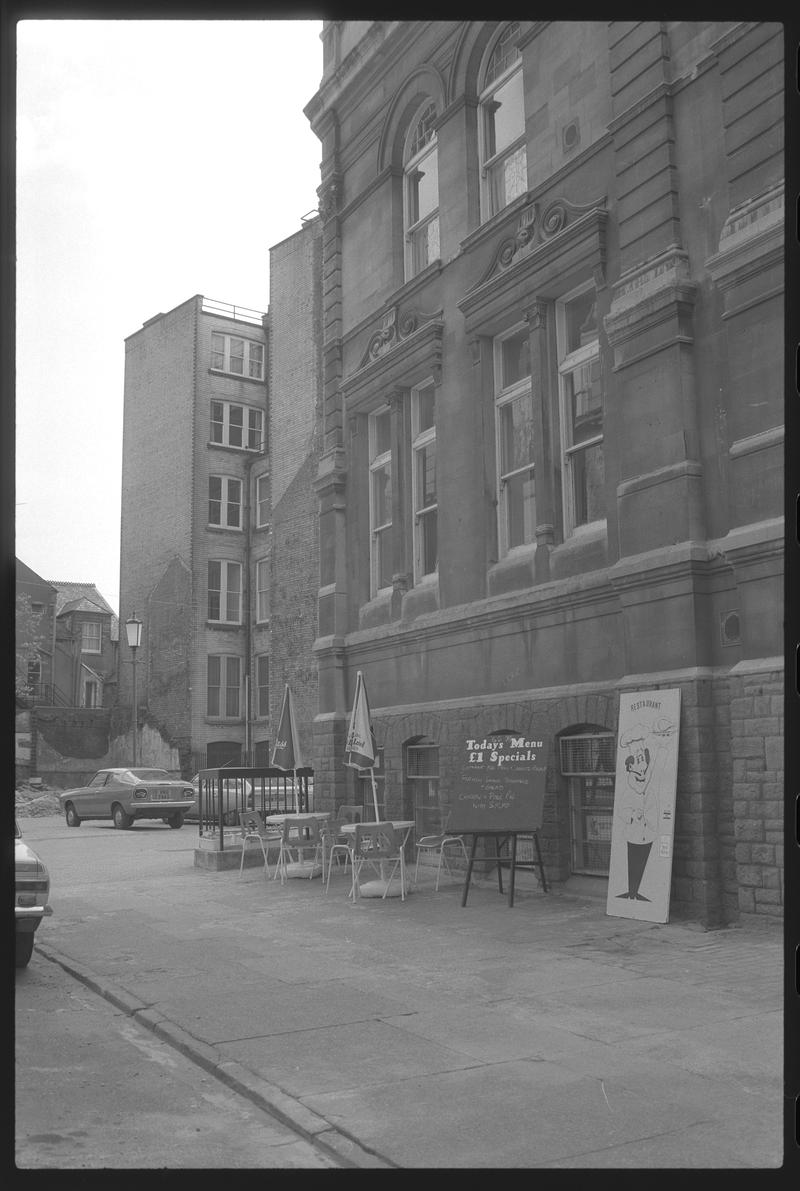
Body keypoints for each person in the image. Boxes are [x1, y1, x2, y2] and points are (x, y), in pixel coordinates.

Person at [615, 716, 675, 901]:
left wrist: (662, 749)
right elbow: (622, 809)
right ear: (630, 765)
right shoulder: (630, 783)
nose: (642, 764)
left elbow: (653, 774)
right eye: (638, 760)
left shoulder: (646, 778)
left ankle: (639, 891)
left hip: (648, 831)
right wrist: (633, 815)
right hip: (634, 830)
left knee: (644, 859)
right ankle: (631, 892)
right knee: (633, 859)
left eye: (643, 759)